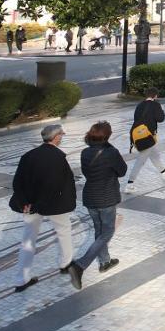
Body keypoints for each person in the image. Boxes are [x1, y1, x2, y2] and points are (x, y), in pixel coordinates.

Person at [9, 124, 77, 292]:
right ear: (56, 137)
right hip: (54, 205)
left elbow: (17, 182)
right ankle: (65, 264)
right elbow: (57, 185)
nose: (62, 137)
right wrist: (41, 205)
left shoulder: (28, 156)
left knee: (28, 240)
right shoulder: (58, 157)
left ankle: (21, 279)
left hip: (30, 205)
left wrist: (25, 202)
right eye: (61, 134)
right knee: (64, 231)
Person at [66, 121, 127, 289]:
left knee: (99, 231)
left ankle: (105, 262)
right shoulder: (111, 153)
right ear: (106, 136)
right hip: (106, 198)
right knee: (107, 233)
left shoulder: (85, 152)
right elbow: (122, 171)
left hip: (90, 197)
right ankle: (79, 266)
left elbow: (87, 172)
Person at [127, 89, 165, 189]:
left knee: (154, 154)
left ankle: (164, 171)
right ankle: (130, 182)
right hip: (148, 136)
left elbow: (136, 119)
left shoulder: (139, 105)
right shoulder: (156, 105)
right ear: (155, 96)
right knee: (141, 159)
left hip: (138, 134)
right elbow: (161, 119)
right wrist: (162, 110)